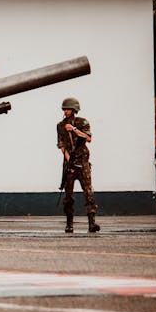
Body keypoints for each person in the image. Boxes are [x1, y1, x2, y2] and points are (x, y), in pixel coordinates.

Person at [57, 97, 99, 233]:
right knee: (68, 196)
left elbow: (88, 138)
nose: (66, 111)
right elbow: (61, 145)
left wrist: (74, 129)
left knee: (88, 193)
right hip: (70, 164)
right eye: (65, 109)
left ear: (74, 110)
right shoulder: (60, 125)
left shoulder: (82, 122)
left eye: (68, 109)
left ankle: (92, 223)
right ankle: (69, 224)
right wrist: (69, 160)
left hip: (83, 162)